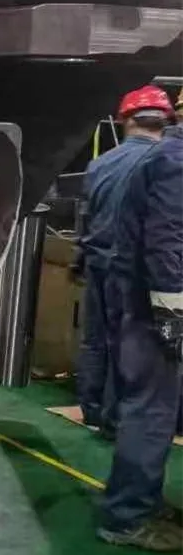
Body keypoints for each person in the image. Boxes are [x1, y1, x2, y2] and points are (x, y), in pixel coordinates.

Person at [97, 122, 183, 551]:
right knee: (151, 409)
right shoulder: (176, 162)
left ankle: (140, 500)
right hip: (150, 307)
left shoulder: (165, 156)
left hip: (138, 299)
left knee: (150, 406)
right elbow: (166, 238)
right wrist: (172, 311)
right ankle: (126, 516)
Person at [76, 86, 174, 438]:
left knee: (96, 339)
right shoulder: (165, 165)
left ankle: (91, 408)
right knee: (128, 344)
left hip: (97, 262)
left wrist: (79, 258)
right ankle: (115, 419)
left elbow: (85, 216)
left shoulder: (99, 163)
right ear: (165, 122)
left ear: (126, 121)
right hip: (135, 271)